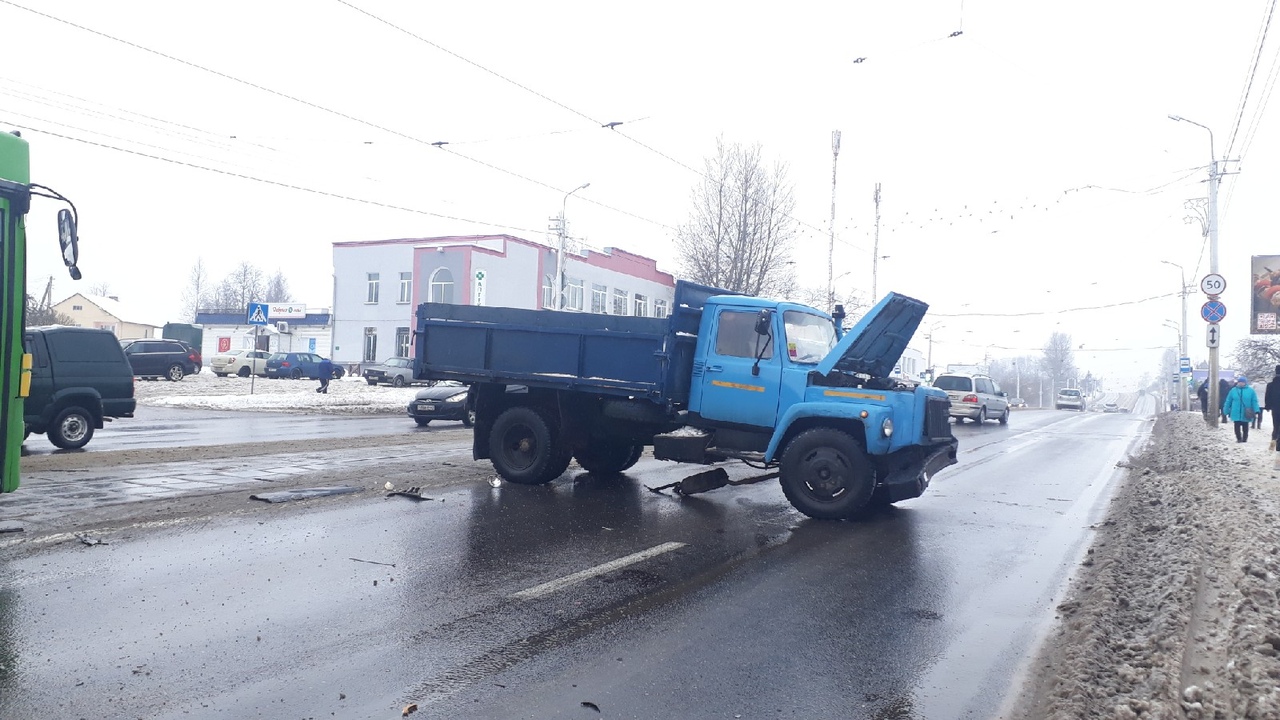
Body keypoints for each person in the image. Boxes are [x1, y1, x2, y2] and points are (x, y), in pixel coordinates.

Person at [1222, 375, 1261, 443]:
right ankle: (1239, 438)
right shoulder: (1233, 390)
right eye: (1239, 382)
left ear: (1245, 383)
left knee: (1245, 426)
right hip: (1235, 411)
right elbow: (1228, 401)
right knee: (1236, 426)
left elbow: (1254, 401)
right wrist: (1225, 410)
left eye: (1242, 382)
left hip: (1246, 412)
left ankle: (1245, 438)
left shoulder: (1251, 391)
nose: (1241, 383)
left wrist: (1256, 410)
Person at [1265, 365, 1280, 450]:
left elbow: (1267, 396)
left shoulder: (1271, 385)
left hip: (1275, 409)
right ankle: (1279, 446)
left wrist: (1267, 406)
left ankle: (1273, 440)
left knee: (1276, 425)